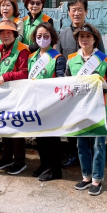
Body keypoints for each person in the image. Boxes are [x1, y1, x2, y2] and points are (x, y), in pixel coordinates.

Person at [65, 23, 107, 197]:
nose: (84, 39)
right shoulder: (71, 60)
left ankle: (97, 180)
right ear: (77, 40)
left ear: (95, 40)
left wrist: (105, 86)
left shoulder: (103, 59)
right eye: (81, 36)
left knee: (98, 145)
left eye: (88, 36)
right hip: (79, 110)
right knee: (82, 145)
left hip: (98, 110)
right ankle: (86, 177)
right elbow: (66, 84)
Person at [57, 0, 105, 168]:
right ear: (68, 12)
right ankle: (73, 154)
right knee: (72, 122)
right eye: (73, 10)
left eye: (80, 10)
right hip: (71, 89)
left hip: (90, 91)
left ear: (86, 12)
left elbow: (102, 59)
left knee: (89, 122)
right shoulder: (62, 34)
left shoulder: (94, 33)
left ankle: (90, 156)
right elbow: (59, 59)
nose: (76, 13)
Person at [0, 20, 30, 175]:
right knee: (4, 126)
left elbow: (24, 73)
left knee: (15, 127)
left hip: (17, 94)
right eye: (2, 33)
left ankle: (20, 161)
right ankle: (6, 158)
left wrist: (6, 76)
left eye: (8, 32)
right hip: (3, 94)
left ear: (14, 34)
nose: (5, 35)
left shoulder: (22, 50)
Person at [27, 21, 66, 181]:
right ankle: (44, 165)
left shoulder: (57, 57)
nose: (42, 39)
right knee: (40, 137)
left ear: (52, 37)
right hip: (36, 102)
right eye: (39, 36)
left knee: (52, 138)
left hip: (51, 104)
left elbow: (61, 80)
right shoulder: (32, 57)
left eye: (45, 36)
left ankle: (55, 170)